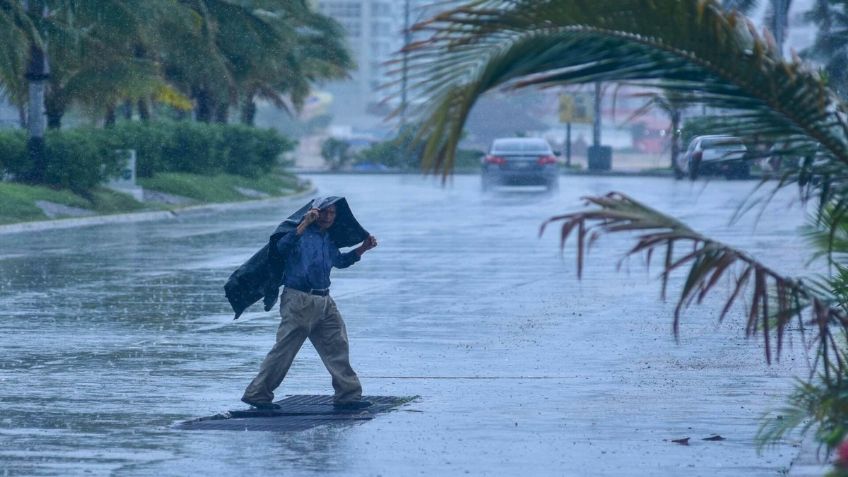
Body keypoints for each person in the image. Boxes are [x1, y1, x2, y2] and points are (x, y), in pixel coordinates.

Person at [241, 201, 377, 410]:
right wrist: (304, 224)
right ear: (313, 213)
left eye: (332, 213)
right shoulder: (299, 234)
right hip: (299, 300)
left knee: (337, 345)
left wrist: (362, 249)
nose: (328, 217)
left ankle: (348, 396)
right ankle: (257, 394)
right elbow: (280, 250)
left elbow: (339, 262)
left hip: (324, 301)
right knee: (285, 350)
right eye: (323, 212)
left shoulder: (327, 238)